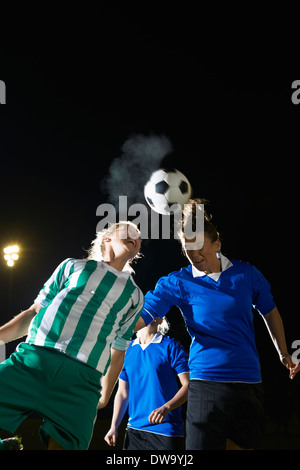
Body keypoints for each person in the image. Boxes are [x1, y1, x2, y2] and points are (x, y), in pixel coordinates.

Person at [135, 199, 299, 450]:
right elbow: (143, 316)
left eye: (200, 247)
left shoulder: (246, 274)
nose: (195, 255)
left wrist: (283, 352)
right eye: (188, 249)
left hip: (248, 380)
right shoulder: (177, 282)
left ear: (217, 244)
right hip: (205, 381)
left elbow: (270, 311)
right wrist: (112, 321)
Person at [0, 221, 144, 450]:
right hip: (33, 361)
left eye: (138, 238)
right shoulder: (72, 267)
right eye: (129, 232)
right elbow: (34, 312)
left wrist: (105, 395)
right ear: (107, 239)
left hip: (82, 383)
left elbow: (119, 348)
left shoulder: (134, 295)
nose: (135, 237)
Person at [103, 317, 189, 450]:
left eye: (153, 310)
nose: (148, 313)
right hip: (134, 431)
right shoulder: (127, 350)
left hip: (165, 430)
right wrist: (113, 426)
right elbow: (123, 393)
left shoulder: (170, 345)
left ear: (160, 319)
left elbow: (188, 386)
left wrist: (166, 407)